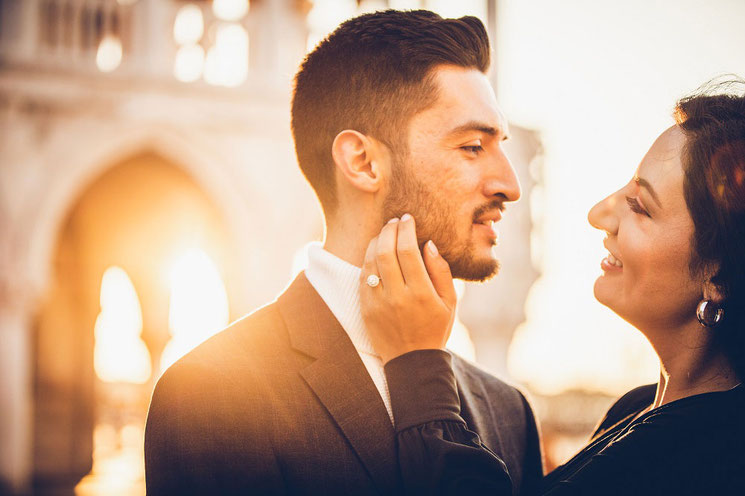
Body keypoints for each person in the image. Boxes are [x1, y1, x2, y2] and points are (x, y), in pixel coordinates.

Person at [144, 10, 543, 495]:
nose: (511, 185)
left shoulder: (507, 412)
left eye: (500, 145)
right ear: (363, 162)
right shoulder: (210, 395)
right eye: (473, 146)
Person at [359, 81, 745, 495]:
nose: (599, 214)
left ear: (717, 276)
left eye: (640, 207)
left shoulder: (714, 456)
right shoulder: (637, 409)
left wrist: (417, 363)